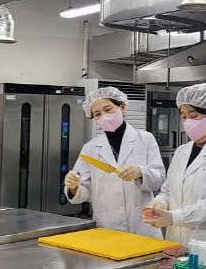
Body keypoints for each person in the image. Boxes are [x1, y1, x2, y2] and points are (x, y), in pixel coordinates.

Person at [142, 83, 206, 259]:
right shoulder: (182, 151)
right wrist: (159, 204)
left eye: (193, 115)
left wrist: (173, 217)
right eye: (184, 116)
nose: (188, 121)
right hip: (177, 241)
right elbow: (167, 190)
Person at [65, 87, 165, 238]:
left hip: (142, 226)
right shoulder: (90, 148)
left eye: (108, 109)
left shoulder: (145, 139)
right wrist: (73, 187)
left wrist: (140, 173)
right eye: (97, 114)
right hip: (107, 226)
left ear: (122, 107)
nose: (104, 116)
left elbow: (159, 180)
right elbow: (82, 192)